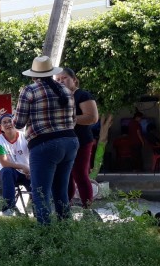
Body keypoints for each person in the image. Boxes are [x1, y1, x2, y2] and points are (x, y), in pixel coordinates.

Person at [13, 55, 78, 225]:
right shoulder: (66, 90)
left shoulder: (30, 90)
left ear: (34, 75)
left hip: (45, 145)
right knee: (61, 191)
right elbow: (73, 120)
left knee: (41, 193)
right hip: (70, 141)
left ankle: (46, 235)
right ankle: (66, 230)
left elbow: (18, 123)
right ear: (51, 73)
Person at [55, 68, 99, 207]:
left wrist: (68, 118)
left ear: (74, 79)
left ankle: (87, 208)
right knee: (65, 176)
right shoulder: (57, 97)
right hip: (62, 141)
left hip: (82, 141)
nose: (61, 81)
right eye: (58, 80)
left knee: (80, 174)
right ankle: (66, 209)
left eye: (64, 78)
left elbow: (92, 117)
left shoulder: (82, 95)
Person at [0, 113, 31, 215]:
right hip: (10, 171)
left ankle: (39, 211)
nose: (8, 124)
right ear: (1, 127)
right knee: (7, 171)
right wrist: (22, 167)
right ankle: (8, 209)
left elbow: (34, 156)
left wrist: (31, 170)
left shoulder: (25, 137)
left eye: (10, 121)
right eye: (4, 122)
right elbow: (4, 163)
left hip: (27, 171)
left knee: (38, 185)